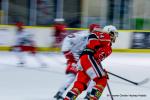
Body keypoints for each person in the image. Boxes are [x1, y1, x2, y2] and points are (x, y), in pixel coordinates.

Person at [64, 25, 118, 100]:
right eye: (114, 34)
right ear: (110, 32)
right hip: (88, 59)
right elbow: (93, 35)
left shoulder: (108, 47)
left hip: (84, 61)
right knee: (102, 79)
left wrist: (100, 69)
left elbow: (97, 58)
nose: (115, 36)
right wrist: (95, 46)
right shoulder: (106, 36)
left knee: (80, 85)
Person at [54, 24, 101, 100]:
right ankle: (59, 93)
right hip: (75, 58)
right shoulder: (82, 36)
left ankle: (89, 94)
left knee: (93, 75)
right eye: (97, 31)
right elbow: (68, 38)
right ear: (91, 30)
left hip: (84, 59)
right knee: (71, 76)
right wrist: (68, 54)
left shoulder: (95, 37)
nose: (98, 33)